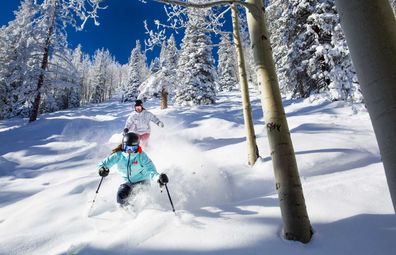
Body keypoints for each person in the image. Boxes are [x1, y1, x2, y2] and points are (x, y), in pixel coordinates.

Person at [97, 132, 169, 206]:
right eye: (127, 147)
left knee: (138, 198)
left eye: (133, 148)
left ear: (137, 147)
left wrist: (158, 178)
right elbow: (103, 164)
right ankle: (125, 214)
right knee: (121, 197)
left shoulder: (141, 156)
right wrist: (102, 169)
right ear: (123, 146)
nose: (130, 150)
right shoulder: (118, 155)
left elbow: (151, 170)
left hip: (142, 181)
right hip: (127, 182)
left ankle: (142, 214)